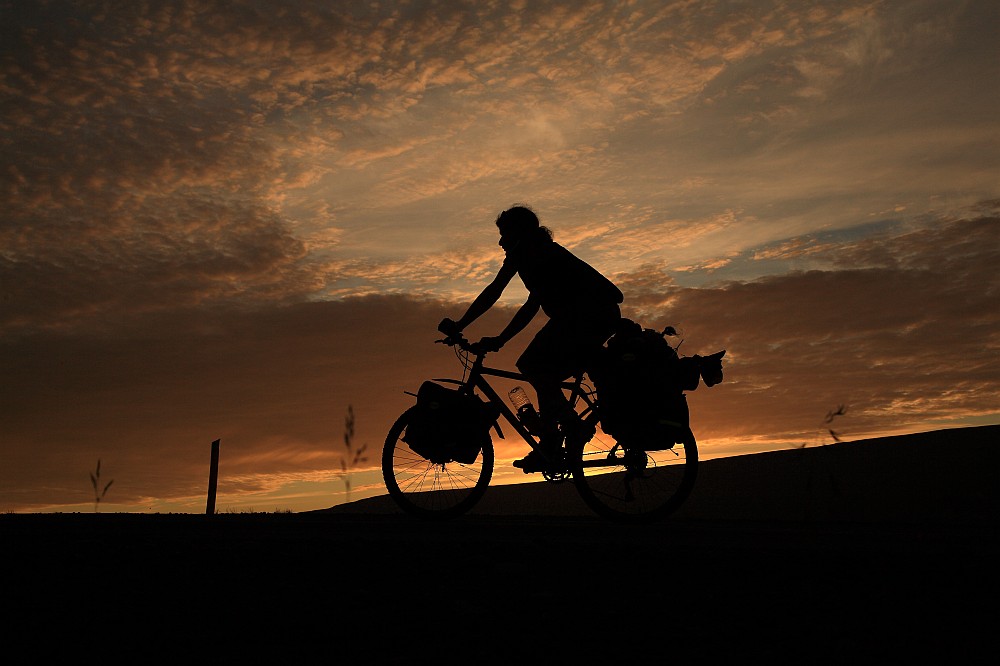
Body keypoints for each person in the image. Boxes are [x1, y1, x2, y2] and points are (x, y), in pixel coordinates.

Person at [438, 204, 624, 472]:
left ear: (520, 233)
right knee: (540, 373)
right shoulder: (526, 254)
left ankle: (570, 428)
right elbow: (497, 291)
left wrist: (488, 334)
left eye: (505, 234)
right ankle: (551, 443)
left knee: (533, 365)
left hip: (591, 316)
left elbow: (526, 304)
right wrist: (470, 327)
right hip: (581, 317)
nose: (500, 241)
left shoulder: (540, 254)